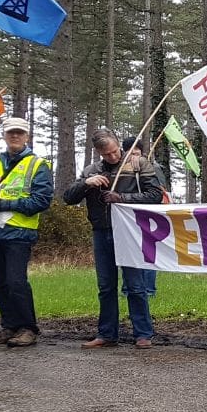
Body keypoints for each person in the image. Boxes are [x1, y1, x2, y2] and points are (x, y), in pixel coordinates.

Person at [63, 129, 163, 349]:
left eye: (115, 151)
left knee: (136, 285)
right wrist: (86, 184)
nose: (113, 157)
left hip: (130, 233)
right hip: (101, 232)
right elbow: (68, 198)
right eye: (107, 154)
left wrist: (122, 198)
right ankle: (107, 333)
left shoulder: (139, 165)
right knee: (106, 286)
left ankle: (143, 334)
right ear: (99, 153)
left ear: (119, 144)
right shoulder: (91, 170)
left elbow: (156, 195)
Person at [0, 116, 53, 348]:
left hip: (19, 233)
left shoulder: (38, 165)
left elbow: (41, 201)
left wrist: (4, 205)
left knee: (16, 282)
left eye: (19, 132)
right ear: (4, 135)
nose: (15, 136)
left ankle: (28, 328)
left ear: (27, 136)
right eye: (10, 132)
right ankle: (9, 326)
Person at [121, 136, 167, 297]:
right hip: (127, 217)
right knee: (127, 254)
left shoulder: (152, 167)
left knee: (148, 254)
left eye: (137, 152)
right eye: (130, 152)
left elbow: (159, 191)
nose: (133, 156)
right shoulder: (120, 168)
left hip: (149, 216)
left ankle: (148, 290)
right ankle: (127, 290)